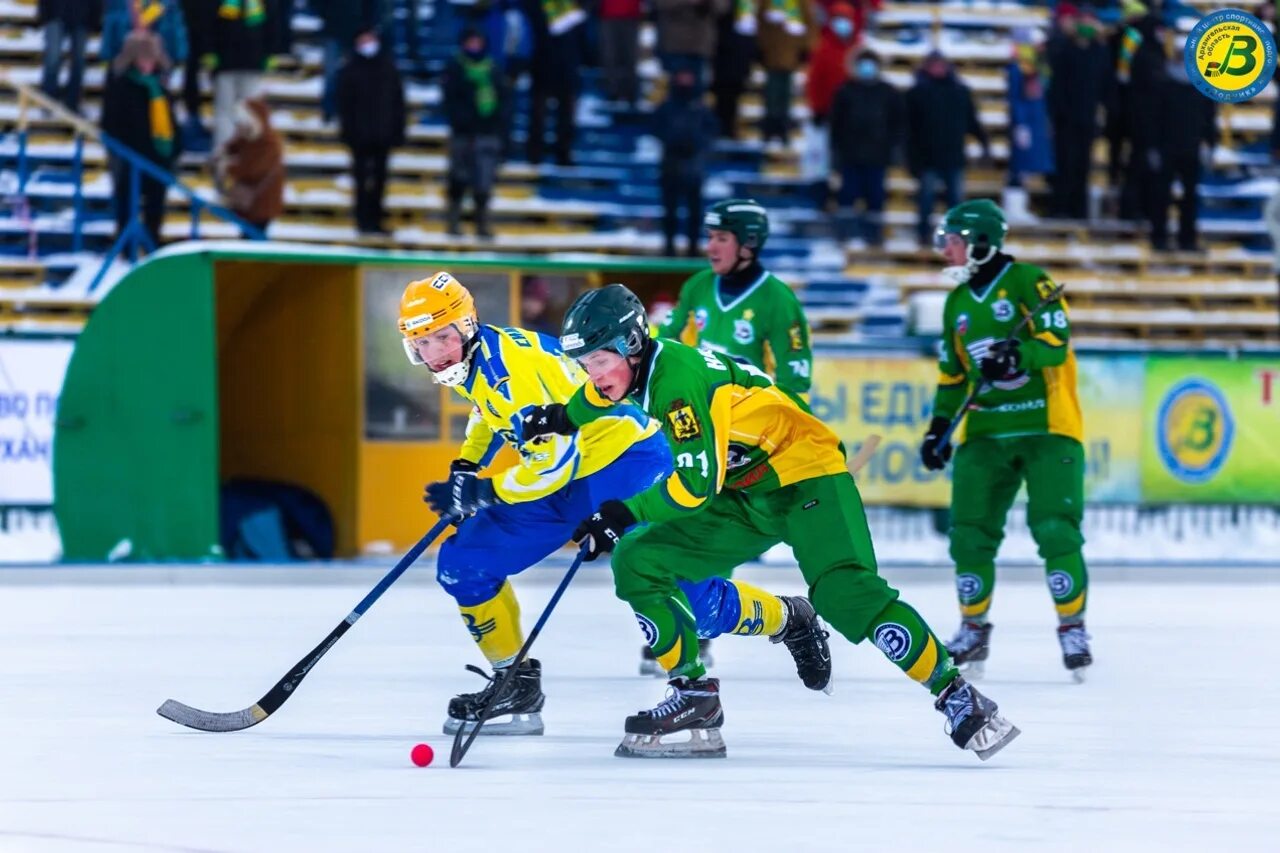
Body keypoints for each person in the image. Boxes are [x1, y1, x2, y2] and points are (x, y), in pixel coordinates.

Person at [521, 284, 1019, 760]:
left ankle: (956, 694)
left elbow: (696, 487)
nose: (594, 374)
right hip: (746, 489)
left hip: (806, 477)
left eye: (599, 361)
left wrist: (624, 511)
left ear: (631, 344)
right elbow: (601, 397)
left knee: (847, 594)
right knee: (639, 559)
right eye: (584, 364)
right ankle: (694, 695)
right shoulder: (638, 370)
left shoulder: (675, 381)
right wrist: (564, 417)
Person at [405, 273, 831, 736]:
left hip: (625, 462)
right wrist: (468, 462)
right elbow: (488, 410)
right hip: (558, 476)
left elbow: (553, 459)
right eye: (421, 343)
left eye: (442, 337)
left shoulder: (512, 366)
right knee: (464, 563)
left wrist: (483, 492)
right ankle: (514, 683)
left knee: (685, 593)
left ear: (467, 326)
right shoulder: (474, 361)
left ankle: (790, 618)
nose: (434, 353)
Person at [917, 199, 1092, 682]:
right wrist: (938, 429)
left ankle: (1072, 625)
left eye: (953, 240)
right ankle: (973, 629)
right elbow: (953, 376)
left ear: (979, 242)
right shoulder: (956, 303)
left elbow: (1055, 344)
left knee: (1055, 528)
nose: (945, 250)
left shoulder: (1028, 282)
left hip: (1047, 428)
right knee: (968, 534)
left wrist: (1017, 356)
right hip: (985, 433)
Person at [101, 29, 178, 251]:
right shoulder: (121, 85)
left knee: (155, 206)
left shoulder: (161, 86)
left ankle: (153, 244)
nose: (147, 64)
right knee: (126, 203)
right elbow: (111, 122)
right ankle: (125, 247)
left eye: (151, 59)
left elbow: (172, 121)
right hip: (129, 157)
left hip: (157, 156)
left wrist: (173, 150)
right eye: (143, 59)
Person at [906, 51, 990, 246]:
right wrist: (911, 159)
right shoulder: (916, 94)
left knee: (955, 202)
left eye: (941, 65)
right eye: (934, 65)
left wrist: (984, 143)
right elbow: (909, 129)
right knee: (925, 201)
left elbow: (971, 121)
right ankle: (923, 235)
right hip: (927, 158)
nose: (938, 69)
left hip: (953, 156)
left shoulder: (960, 92)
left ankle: (955, 238)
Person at [336, 29, 406, 236]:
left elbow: (398, 102)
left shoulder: (388, 67)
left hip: (383, 134)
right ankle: (362, 219)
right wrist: (347, 132)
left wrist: (398, 130)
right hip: (359, 135)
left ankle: (376, 219)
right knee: (361, 179)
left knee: (380, 179)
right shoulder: (349, 69)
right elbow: (344, 105)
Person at [830, 50, 903, 246]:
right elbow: (835, 125)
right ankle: (844, 233)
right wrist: (835, 154)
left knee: (876, 198)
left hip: (877, 157)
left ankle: (873, 235)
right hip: (850, 155)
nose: (867, 69)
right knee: (847, 196)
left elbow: (897, 124)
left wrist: (894, 150)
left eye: (871, 64)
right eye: (863, 64)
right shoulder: (845, 90)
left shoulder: (888, 92)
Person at [442, 28, 509, 238]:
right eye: (470, 41)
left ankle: (482, 224)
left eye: (478, 41)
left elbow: (504, 100)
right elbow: (449, 100)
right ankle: (454, 222)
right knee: (458, 178)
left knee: (484, 180)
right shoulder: (454, 67)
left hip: (487, 132)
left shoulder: (494, 68)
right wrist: (462, 120)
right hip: (462, 132)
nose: (474, 46)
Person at [654, 69, 718, 257]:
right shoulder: (666, 106)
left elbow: (712, 130)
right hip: (671, 164)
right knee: (670, 210)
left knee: (694, 211)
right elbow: (656, 127)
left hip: (694, 166)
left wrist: (696, 143)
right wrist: (673, 142)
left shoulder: (700, 108)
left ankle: (693, 248)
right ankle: (669, 248)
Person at [213, 97, 284, 234]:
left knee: (255, 236)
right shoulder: (248, 136)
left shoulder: (269, 143)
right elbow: (234, 145)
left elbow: (253, 169)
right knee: (247, 235)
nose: (240, 126)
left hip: (263, 202)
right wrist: (223, 151)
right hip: (249, 202)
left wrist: (227, 167)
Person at [38, 0, 103, 113]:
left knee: (78, 63)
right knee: (53, 60)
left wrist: (95, 18)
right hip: (55, 13)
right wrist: (44, 14)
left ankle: (73, 103)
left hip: (82, 16)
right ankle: (48, 102)